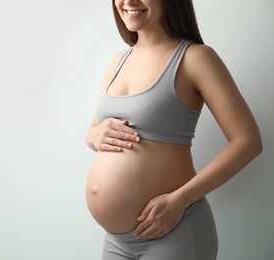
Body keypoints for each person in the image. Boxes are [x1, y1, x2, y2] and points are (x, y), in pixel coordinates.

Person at [84, 0, 263, 259]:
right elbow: (92, 130)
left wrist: (180, 200)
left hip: (173, 231)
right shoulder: (118, 61)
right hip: (116, 242)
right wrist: (93, 135)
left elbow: (248, 141)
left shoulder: (196, 58)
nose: (129, 1)